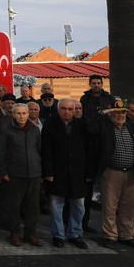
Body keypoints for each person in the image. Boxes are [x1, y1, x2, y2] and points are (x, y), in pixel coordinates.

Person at [41, 99, 90, 249]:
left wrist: (88, 172)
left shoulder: (82, 125)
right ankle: (58, 235)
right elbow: (46, 150)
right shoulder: (50, 125)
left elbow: (89, 149)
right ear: (58, 109)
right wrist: (48, 172)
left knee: (79, 206)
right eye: (64, 109)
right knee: (57, 205)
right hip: (57, 172)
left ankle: (75, 234)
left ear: (75, 110)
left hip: (77, 173)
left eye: (70, 109)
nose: (67, 112)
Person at [97, 107, 134, 249]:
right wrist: (104, 112)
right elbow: (92, 126)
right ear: (110, 114)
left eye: (122, 112)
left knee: (129, 207)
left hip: (130, 173)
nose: (120, 115)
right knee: (110, 206)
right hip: (112, 172)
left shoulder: (132, 128)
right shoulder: (105, 127)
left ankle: (127, 235)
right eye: (116, 112)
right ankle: (110, 235)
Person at [0, 103, 43, 247]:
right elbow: (1, 152)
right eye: (18, 113)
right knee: (14, 206)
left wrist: (41, 170)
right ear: (13, 114)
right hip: (15, 174)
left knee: (33, 207)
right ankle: (14, 233)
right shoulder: (6, 130)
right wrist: (3, 171)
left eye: (24, 113)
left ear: (28, 114)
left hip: (34, 173)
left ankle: (30, 233)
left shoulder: (35, 130)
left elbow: (39, 150)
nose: (21, 116)